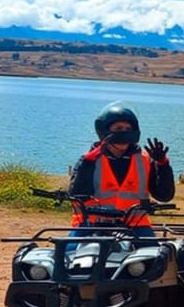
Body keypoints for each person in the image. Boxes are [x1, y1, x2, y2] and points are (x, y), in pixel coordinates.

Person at [68, 101, 175, 239]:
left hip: (136, 225)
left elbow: (164, 195)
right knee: (65, 254)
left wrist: (162, 164)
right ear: (104, 130)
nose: (124, 132)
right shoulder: (89, 160)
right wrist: (87, 164)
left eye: (127, 128)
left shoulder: (144, 160)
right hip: (91, 223)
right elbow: (77, 194)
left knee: (154, 257)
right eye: (118, 128)